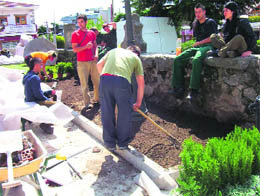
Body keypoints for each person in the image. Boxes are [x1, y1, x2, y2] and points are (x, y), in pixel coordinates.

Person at [96, 45, 145, 151]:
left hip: (105, 79)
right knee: (124, 113)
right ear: (137, 53)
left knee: (107, 112)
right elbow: (140, 83)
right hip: (122, 83)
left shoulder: (114, 50)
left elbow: (99, 65)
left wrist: (106, 79)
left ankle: (110, 143)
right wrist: (138, 103)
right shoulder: (136, 58)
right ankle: (122, 143)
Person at [169, 3, 218, 101]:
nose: (197, 14)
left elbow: (212, 38)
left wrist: (199, 43)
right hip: (198, 46)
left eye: (199, 12)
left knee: (196, 59)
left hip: (209, 46)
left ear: (204, 12)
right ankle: (178, 87)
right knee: (178, 59)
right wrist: (195, 44)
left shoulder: (210, 22)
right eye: (196, 12)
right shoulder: (195, 23)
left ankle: (193, 90)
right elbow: (196, 39)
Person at [71, 14, 99, 109]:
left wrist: (96, 54)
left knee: (97, 81)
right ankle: (87, 103)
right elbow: (75, 49)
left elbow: (96, 45)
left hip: (93, 61)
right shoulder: (75, 34)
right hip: (82, 62)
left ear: (86, 22)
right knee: (84, 84)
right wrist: (85, 47)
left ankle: (97, 99)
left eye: (81, 22)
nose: (80, 24)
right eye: (78, 22)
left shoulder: (91, 33)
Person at [23, 56, 57, 134]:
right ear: (36, 66)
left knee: (50, 95)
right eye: (41, 65)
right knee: (55, 105)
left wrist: (49, 92)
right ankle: (45, 124)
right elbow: (38, 96)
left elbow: (36, 91)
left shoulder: (28, 75)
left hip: (28, 99)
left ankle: (44, 121)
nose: (42, 67)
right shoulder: (35, 78)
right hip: (34, 101)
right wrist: (48, 100)